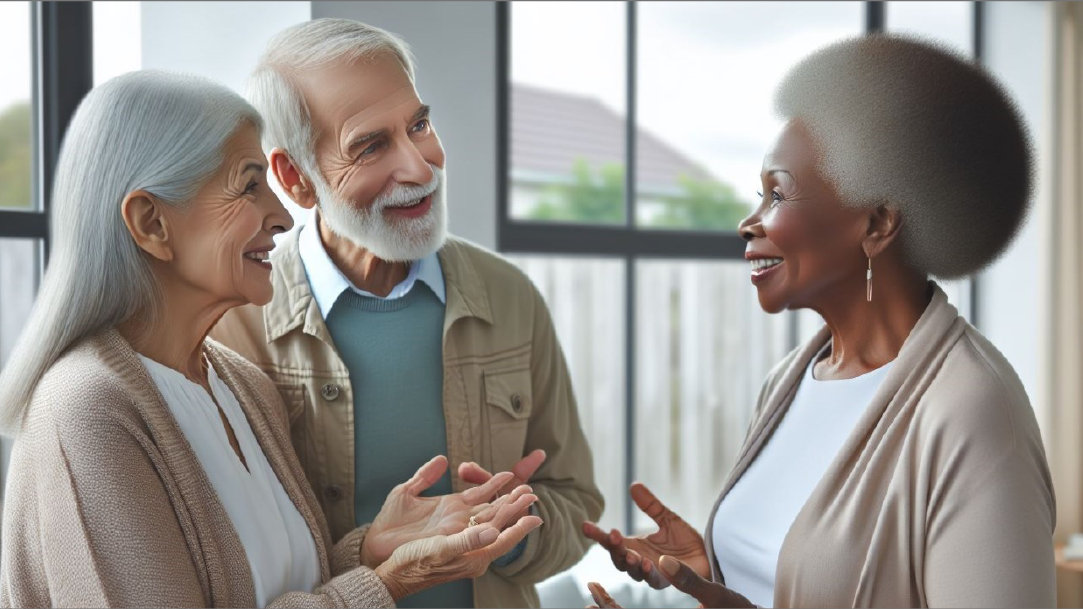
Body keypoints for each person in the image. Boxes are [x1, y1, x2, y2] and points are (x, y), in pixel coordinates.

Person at [0, 70, 542, 608]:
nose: (284, 216)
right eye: (247, 184)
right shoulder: (87, 412)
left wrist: (370, 552)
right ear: (152, 224)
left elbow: (278, 589)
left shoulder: (244, 386)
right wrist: (388, 584)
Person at [583, 34, 1055, 608]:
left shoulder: (973, 413)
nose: (749, 223)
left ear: (878, 223)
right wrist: (711, 572)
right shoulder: (789, 380)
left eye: (777, 196)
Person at [211, 18, 603, 608]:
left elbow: (576, 501)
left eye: (419, 125)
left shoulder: (510, 296)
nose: (422, 167)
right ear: (296, 178)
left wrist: (512, 535)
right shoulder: (232, 325)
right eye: (370, 145)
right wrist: (374, 554)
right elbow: (228, 556)